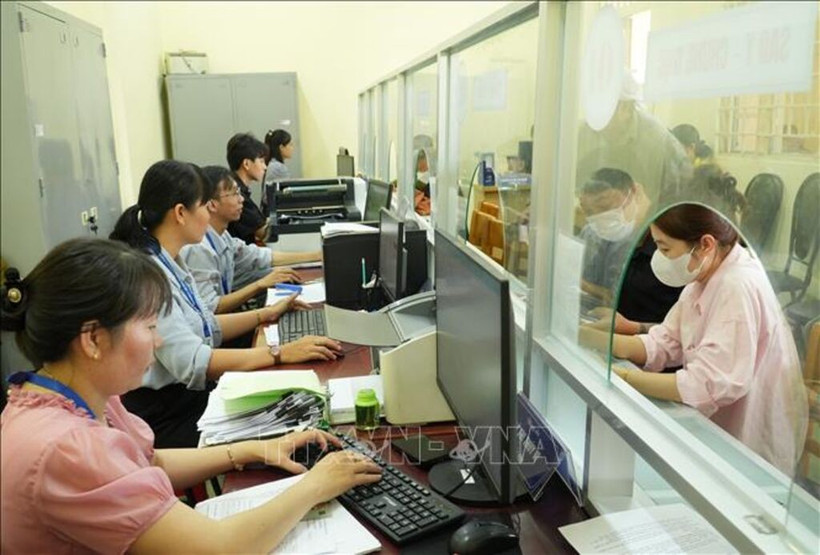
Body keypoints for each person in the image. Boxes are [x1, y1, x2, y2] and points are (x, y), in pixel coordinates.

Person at [0, 237, 381, 554]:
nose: (159, 339)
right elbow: (220, 548)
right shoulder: (67, 448)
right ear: (93, 339)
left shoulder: (66, 394)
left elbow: (145, 460)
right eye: (149, 325)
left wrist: (257, 449)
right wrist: (316, 485)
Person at [110, 160, 341, 447]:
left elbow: (206, 325)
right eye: (205, 206)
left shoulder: (172, 260)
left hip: (188, 398)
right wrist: (279, 353)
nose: (209, 216)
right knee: (293, 425)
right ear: (181, 213)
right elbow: (194, 361)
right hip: (168, 414)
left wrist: (266, 313)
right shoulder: (150, 277)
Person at [581, 203, 808, 473]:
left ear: (705, 244)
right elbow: (664, 341)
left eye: (664, 249)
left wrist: (627, 379)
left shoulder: (737, 285)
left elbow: (710, 382)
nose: (659, 258)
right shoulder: (704, 275)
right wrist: (592, 338)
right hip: (719, 430)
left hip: (748, 448)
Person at [182, 166, 322, 314]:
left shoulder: (221, 235)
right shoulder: (199, 248)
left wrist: (315, 256)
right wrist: (259, 285)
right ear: (212, 204)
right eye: (235, 193)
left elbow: (257, 256)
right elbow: (211, 308)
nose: (241, 199)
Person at [576, 70, 693, 207]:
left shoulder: (657, 140)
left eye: (601, 104)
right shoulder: (583, 134)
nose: (594, 113)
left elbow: (681, 190)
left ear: (625, 107)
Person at [577, 168, 651, 304]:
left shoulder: (657, 239)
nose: (599, 217)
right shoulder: (590, 234)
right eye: (589, 211)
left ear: (634, 192)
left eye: (605, 207)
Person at [227, 133, 269, 245]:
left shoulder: (236, 187)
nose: (265, 167)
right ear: (246, 164)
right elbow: (265, 233)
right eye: (261, 161)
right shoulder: (237, 195)